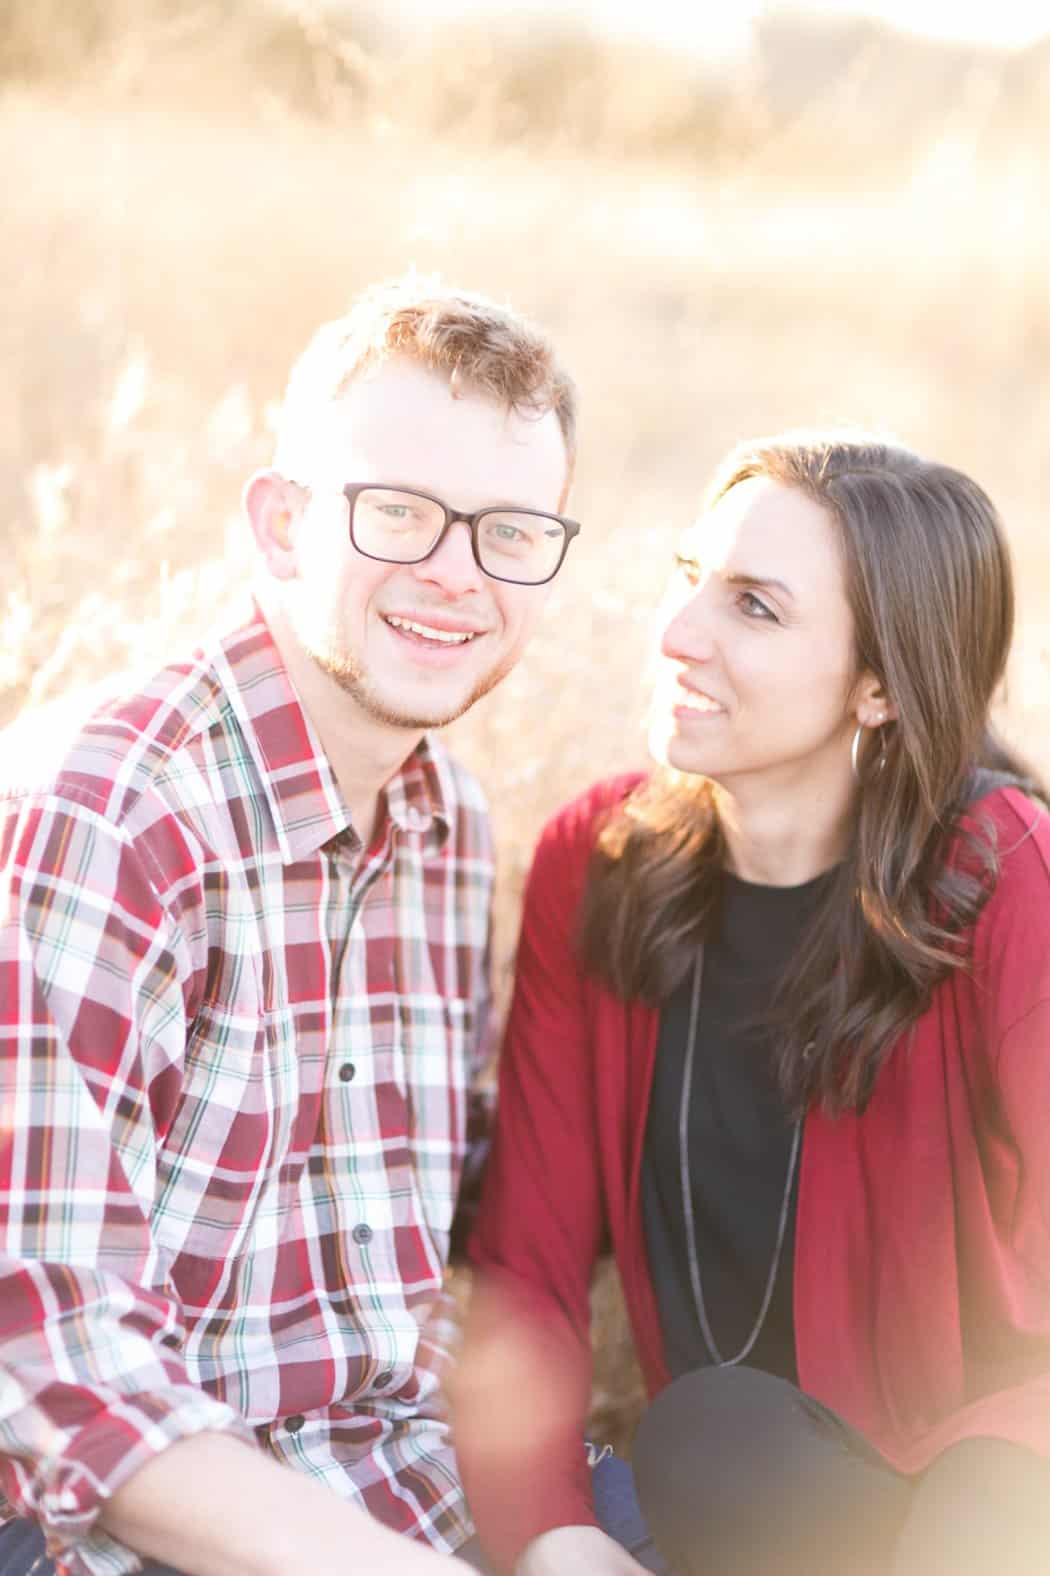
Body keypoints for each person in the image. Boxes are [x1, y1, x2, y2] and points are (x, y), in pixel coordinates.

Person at [0, 277, 579, 1576]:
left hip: (383, 1483)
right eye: (397, 513)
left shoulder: (444, 821)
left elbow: (421, 1278)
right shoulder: (112, 820)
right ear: (278, 524)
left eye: (507, 533)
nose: (454, 575)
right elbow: (45, 1355)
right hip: (104, 1534)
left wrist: (546, 1531)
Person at [454, 432, 1050, 1576]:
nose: (679, 634)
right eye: (690, 577)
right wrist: (551, 1533)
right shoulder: (603, 863)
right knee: (707, 1434)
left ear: (880, 685)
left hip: (1002, 1499)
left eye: (755, 609)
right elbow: (526, 1264)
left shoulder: (1003, 875)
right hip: (762, 1496)